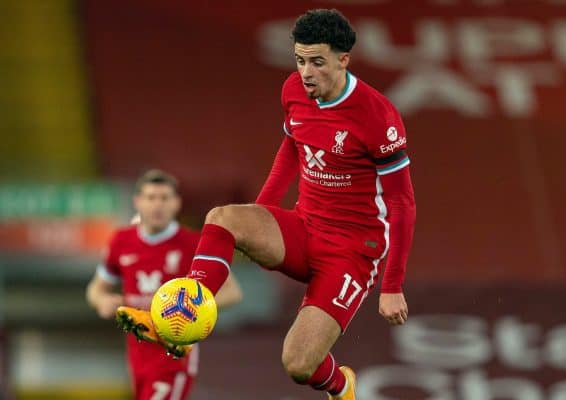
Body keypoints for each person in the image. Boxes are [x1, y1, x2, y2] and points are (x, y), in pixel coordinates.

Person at [121, 8, 415, 399]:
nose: (306, 72)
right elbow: (291, 148)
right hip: (304, 227)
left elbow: (402, 202)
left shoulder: (378, 117)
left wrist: (392, 285)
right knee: (223, 218)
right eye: (299, 60)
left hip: (352, 252)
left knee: (298, 364)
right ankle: (182, 315)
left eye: (317, 62)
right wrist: (262, 211)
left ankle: (342, 387)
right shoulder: (294, 91)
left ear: (343, 60)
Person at [86, 169, 242, 400]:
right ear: (138, 202)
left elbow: (233, 292)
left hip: (175, 353)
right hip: (137, 352)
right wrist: (102, 301)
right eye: (151, 198)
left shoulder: (194, 244)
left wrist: (192, 308)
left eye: (164, 198)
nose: (157, 205)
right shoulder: (121, 241)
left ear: (176, 203)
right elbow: (95, 289)